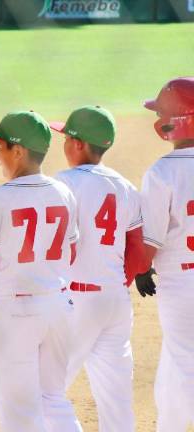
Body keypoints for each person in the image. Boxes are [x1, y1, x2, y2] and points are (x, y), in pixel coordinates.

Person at [0, 111, 82, 431]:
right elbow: (70, 251)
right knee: (53, 398)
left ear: (18, 151)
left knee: (18, 410)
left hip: (17, 312)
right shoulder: (63, 193)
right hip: (59, 306)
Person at [50, 106, 148, 432]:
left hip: (76, 303)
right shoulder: (125, 186)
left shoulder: (62, 184)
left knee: (45, 394)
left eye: (66, 138)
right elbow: (138, 252)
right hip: (116, 302)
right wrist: (116, 281)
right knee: (116, 401)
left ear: (77, 144)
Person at [140, 77, 194, 431]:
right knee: (173, 364)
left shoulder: (163, 172)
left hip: (182, 284)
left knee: (186, 362)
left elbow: (149, 242)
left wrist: (140, 269)